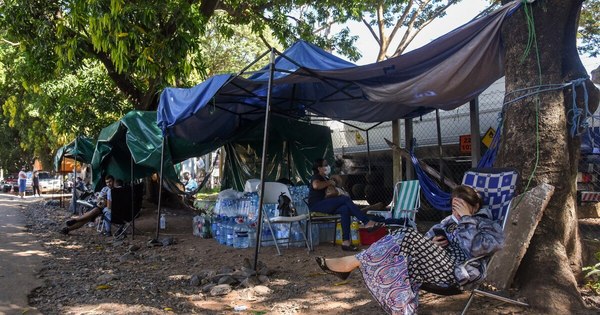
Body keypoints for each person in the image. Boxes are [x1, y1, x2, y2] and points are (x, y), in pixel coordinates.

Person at [314, 185, 505, 314]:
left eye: (462, 207)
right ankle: (404, 310)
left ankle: (353, 262)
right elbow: (423, 241)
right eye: (454, 206)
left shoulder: (487, 224)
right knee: (403, 253)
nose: (456, 212)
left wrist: (466, 220)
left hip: (459, 272)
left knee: (407, 234)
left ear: (476, 207)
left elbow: (479, 249)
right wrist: (432, 243)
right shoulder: (447, 222)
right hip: (436, 266)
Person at [307, 158, 381, 251]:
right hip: (317, 205)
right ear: (319, 168)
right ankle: (366, 222)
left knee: (345, 209)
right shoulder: (316, 177)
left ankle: (346, 242)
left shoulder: (325, 178)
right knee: (345, 199)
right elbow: (316, 186)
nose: (327, 166)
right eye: (325, 165)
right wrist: (330, 182)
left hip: (325, 204)